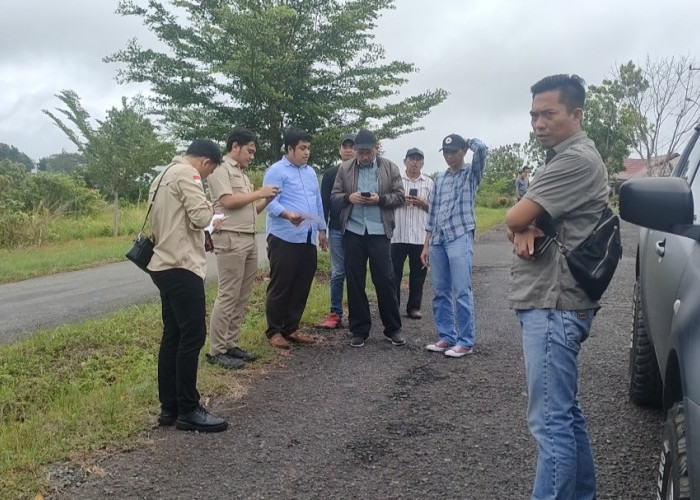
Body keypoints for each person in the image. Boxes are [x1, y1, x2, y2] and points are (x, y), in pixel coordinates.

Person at [505, 74, 607, 499]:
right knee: (564, 415)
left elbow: (513, 217)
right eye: (534, 114)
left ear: (576, 114)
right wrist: (521, 225)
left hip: (555, 301)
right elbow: (519, 223)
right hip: (558, 300)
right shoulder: (564, 157)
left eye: (549, 113)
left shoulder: (574, 161)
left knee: (550, 423)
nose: (539, 123)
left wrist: (519, 223)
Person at [147, 139, 228, 433]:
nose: (205, 178)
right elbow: (201, 217)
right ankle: (189, 409)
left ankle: (169, 408)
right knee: (192, 336)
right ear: (205, 162)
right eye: (208, 173)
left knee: (173, 336)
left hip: (162, 263)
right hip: (182, 264)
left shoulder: (162, 174)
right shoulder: (188, 174)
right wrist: (214, 220)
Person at [207, 127, 278, 369]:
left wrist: (265, 201)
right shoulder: (220, 169)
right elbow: (227, 201)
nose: (251, 156)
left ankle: (231, 343)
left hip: (248, 238)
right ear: (235, 146)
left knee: (242, 294)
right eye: (249, 150)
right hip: (230, 238)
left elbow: (249, 209)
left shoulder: (243, 175)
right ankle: (216, 350)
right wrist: (260, 192)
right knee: (228, 294)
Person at [331, 129, 405, 348]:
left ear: (376, 149)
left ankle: (393, 329)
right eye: (360, 152)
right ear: (355, 151)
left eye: (368, 152)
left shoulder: (389, 167)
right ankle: (359, 330)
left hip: (379, 232)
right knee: (354, 281)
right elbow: (334, 197)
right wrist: (348, 197)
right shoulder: (344, 169)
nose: (364, 156)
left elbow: (400, 196)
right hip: (353, 231)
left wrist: (380, 199)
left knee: (385, 279)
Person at [421, 134, 487, 358]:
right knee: (440, 291)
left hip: (459, 235)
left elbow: (483, 151)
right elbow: (433, 210)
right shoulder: (440, 178)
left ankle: (466, 341)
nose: (449, 156)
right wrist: (426, 243)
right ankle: (447, 336)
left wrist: (471, 141)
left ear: (463, 151)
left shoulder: (471, 174)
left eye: (454, 151)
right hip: (438, 238)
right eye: (446, 152)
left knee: (461, 290)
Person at [263, 127, 328, 349]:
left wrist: (322, 229)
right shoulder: (276, 171)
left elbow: (317, 201)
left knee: (302, 284)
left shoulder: (310, 172)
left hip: (307, 236)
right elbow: (269, 202)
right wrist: (287, 214)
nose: (306, 152)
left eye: (308, 148)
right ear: (290, 148)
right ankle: (274, 331)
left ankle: (291, 328)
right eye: (302, 148)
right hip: (284, 236)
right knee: (282, 284)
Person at [391, 147, 434, 320]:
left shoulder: (429, 183)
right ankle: (393, 305)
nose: (415, 162)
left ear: (422, 163)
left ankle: (414, 307)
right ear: (405, 162)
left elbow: (435, 209)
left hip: (419, 235)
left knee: (418, 274)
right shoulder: (396, 181)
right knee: (394, 273)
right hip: (397, 234)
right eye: (411, 159)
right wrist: (400, 200)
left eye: (418, 159)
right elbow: (386, 201)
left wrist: (423, 204)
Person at [319, 133, 356, 329]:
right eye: (345, 146)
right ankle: (335, 313)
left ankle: (356, 314)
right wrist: (321, 230)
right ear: (340, 149)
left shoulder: (362, 172)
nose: (348, 150)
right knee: (338, 272)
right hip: (335, 229)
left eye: (352, 146)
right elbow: (323, 203)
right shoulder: (330, 174)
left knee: (355, 272)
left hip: (356, 229)